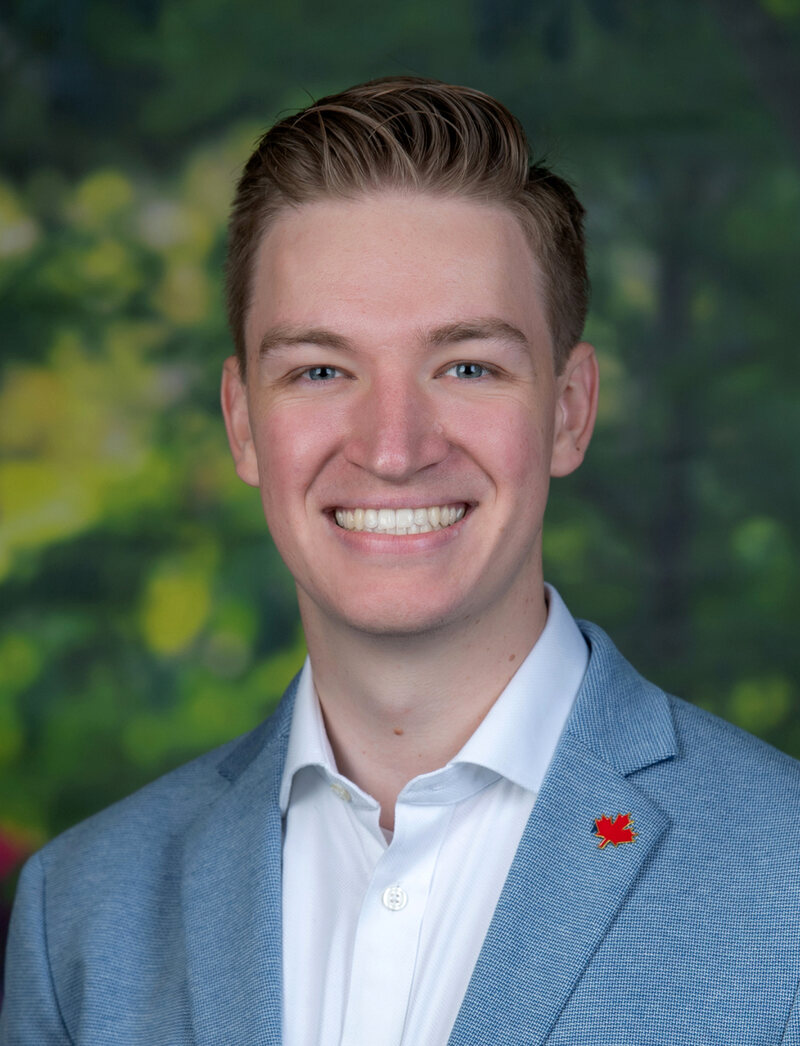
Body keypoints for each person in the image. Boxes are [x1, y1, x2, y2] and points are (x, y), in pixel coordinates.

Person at [2, 76, 800, 1046]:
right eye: (320, 370)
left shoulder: (781, 874)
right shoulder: (80, 912)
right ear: (242, 421)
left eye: (465, 365)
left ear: (567, 408)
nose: (392, 444)